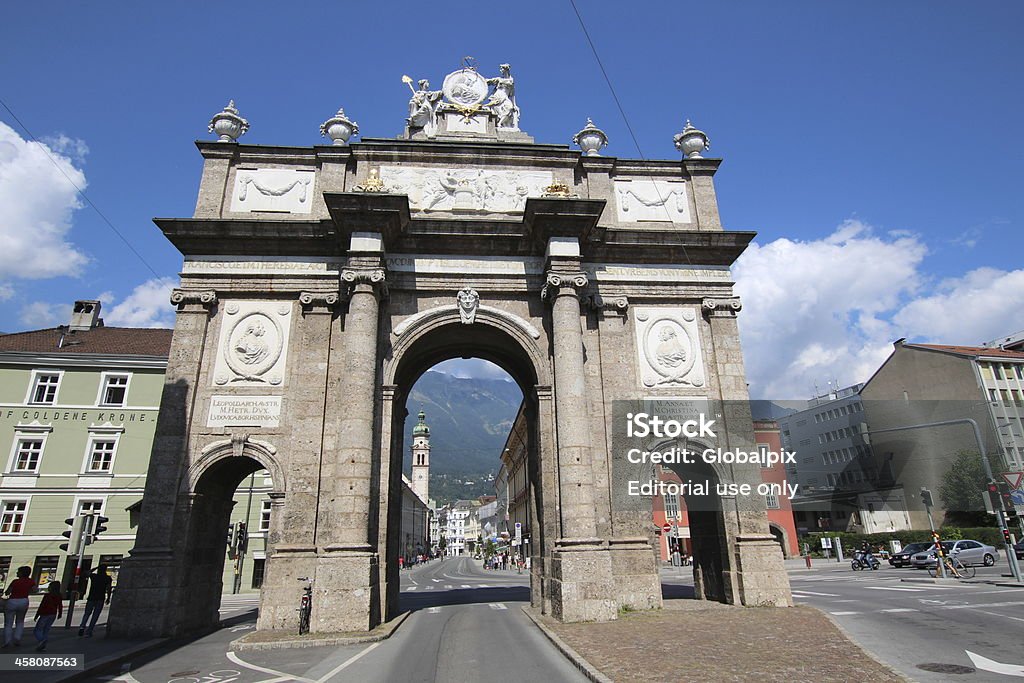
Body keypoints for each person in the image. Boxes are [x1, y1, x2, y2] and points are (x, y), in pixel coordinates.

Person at [3, 565, 36, 647]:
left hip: (12, 601)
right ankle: (17, 638)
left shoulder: (15, 582)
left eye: (18, 572)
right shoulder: (31, 581)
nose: (17, 573)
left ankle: (7, 641)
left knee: (8, 623)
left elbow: (7, 592)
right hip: (24, 601)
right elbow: (34, 590)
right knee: (20, 621)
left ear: (21, 573)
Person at [78, 565, 113, 637]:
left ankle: (82, 626)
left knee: (87, 613)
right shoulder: (107, 578)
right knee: (95, 615)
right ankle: (89, 631)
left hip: (91, 597)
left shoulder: (94, 576)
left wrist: (95, 568)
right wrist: (108, 598)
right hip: (100, 598)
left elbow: (86, 573)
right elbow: (109, 588)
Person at [485, 64, 520, 129]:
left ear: (506, 70)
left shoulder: (511, 81)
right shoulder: (498, 79)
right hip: (498, 97)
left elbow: (512, 94)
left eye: (502, 69)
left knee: (510, 107)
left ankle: (500, 123)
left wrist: (514, 104)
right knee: (498, 112)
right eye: (501, 69)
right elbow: (487, 81)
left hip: (505, 97)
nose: (501, 71)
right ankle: (499, 124)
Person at [33, 580, 63, 652]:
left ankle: (42, 640)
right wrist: (60, 613)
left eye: (49, 586)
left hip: (45, 614)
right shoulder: (59, 595)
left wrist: (37, 615)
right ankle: (43, 644)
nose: (48, 587)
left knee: (37, 630)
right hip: (53, 614)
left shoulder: (47, 596)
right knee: (46, 629)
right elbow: (60, 605)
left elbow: (42, 605)